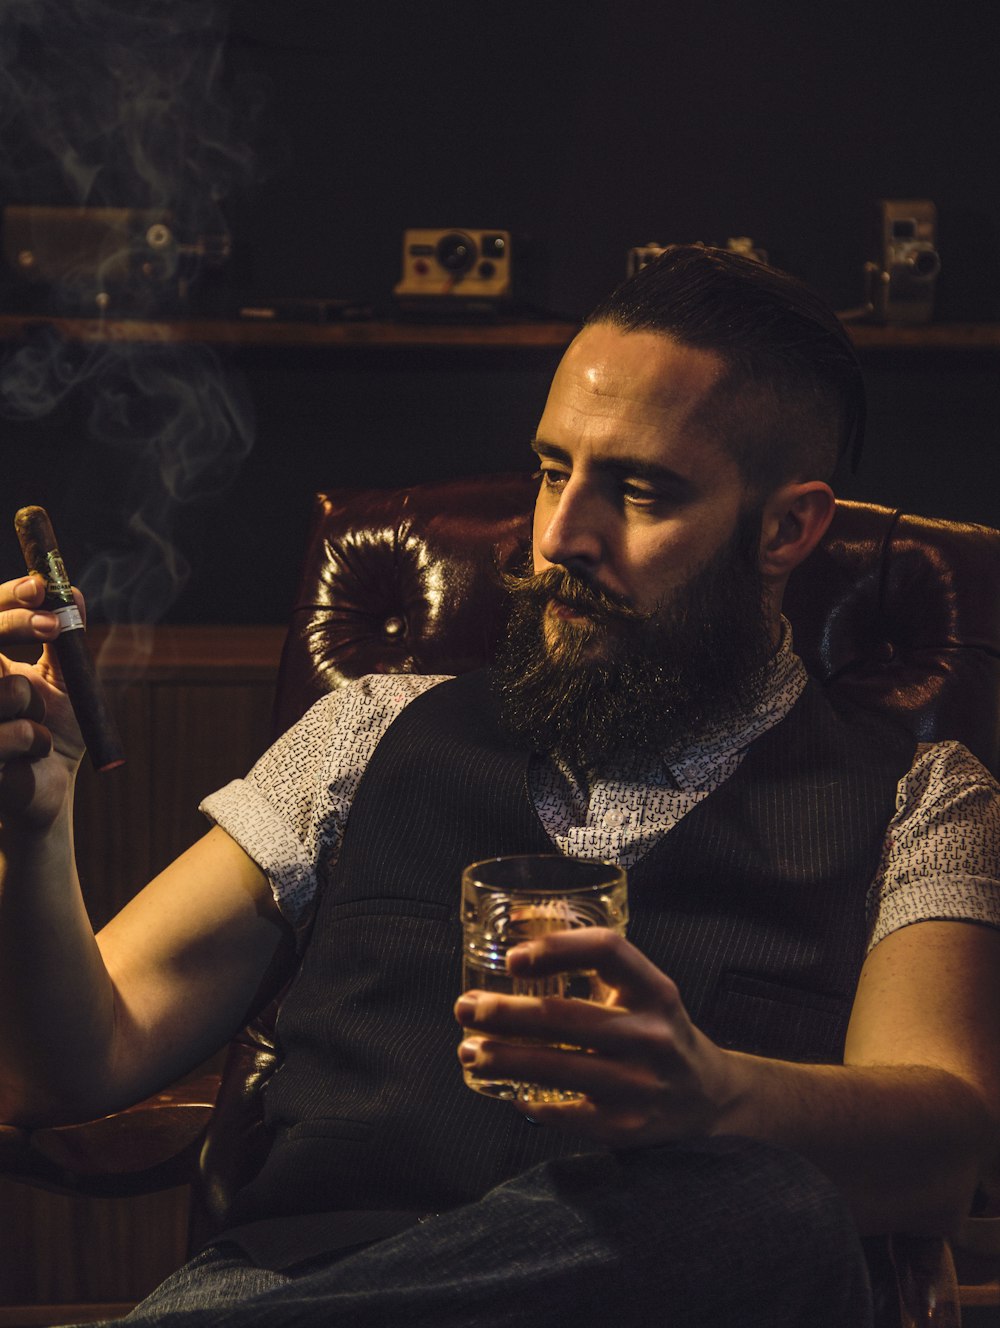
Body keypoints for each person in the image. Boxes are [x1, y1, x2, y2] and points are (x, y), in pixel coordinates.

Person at [1, 245, 998, 1328]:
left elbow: (943, 1142)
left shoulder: (921, 799)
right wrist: (38, 827)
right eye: (552, 469)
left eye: (639, 490)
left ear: (788, 527)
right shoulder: (367, 731)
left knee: (767, 1207)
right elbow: (71, 1063)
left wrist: (718, 1094)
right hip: (291, 1288)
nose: (561, 533)